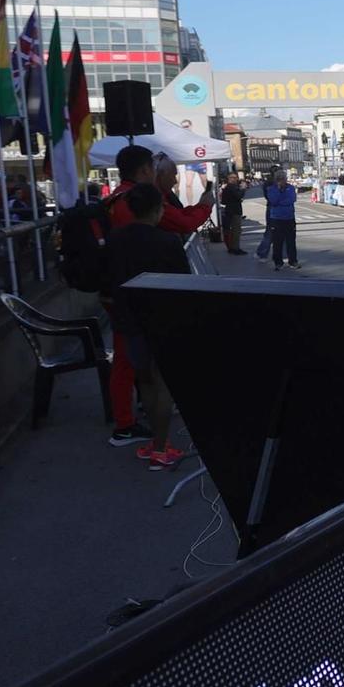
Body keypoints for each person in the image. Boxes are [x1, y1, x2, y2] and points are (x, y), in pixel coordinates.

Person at [105, 145, 212, 446]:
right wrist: (204, 206)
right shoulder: (136, 202)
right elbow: (183, 224)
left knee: (134, 361)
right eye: (154, 170)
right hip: (140, 300)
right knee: (136, 363)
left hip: (122, 295)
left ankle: (136, 415)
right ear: (144, 172)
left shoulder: (115, 200)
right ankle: (131, 428)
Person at [103, 183, 191, 469]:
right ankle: (162, 449)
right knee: (163, 385)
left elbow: (108, 281)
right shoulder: (168, 242)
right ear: (156, 210)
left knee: (146, 382)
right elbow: (184, 285)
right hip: (161, 321)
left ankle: (155, 443)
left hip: (128, 322)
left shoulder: (115, 239)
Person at [263, 166, 301, 268]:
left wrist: (280, 201)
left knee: (291, 241)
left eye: (283, 179)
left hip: (289, 217)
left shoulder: (290, 188)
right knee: (277, 241)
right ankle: (278, 262)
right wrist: (280, 192)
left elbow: (292, 199)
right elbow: (273, 201)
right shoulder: (271, 189)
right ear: (276, 180)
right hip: (276, 218)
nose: (282, 181)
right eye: (279, 179)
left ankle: (293, 260)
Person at [218, 172, 247, 254]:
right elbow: (239, 196)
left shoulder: (227, 187)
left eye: (235, 177)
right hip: (235, 211)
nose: (234, 179)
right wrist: (243, 189)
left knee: (233, 230)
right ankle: (235, 248)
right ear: (228, 178)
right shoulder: (232, 187)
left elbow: (223, 201)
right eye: (232, 177)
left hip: (229, 210)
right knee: (236, 230)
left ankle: (232, 247)